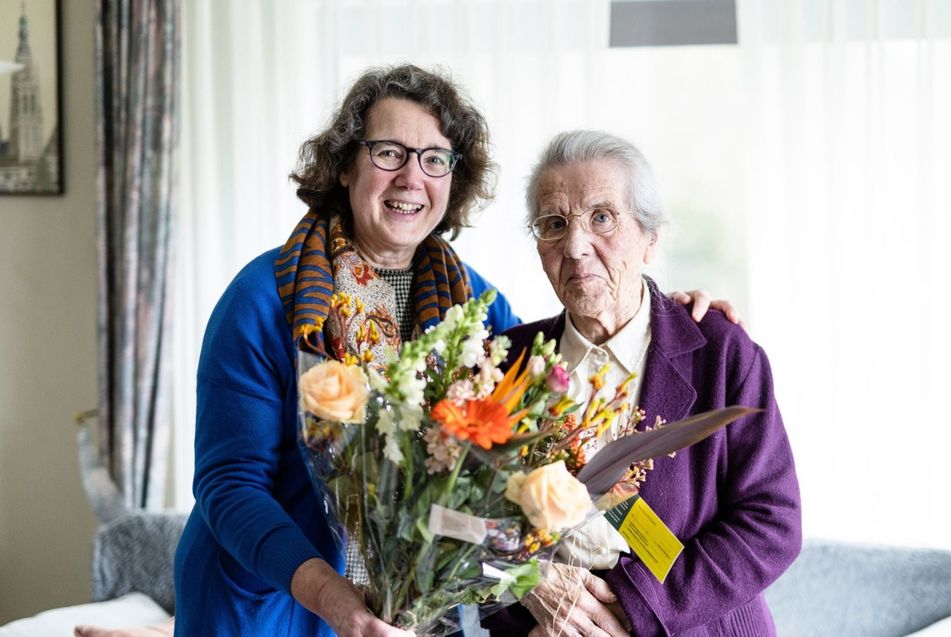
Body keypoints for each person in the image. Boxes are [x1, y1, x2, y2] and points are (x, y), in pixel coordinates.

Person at [69, 66, 742, 637]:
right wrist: (332, 597)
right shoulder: (261, 297)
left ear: (455, 177)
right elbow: (228, 485)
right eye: (387, 152)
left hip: (417, 616)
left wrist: (664, 311)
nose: (410, 177)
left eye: (434, 159)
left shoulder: (480, 310)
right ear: (346, 163)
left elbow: (544, 426)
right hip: (272, 607)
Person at [482, 130, 802, 637]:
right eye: (554, 224)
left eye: (602, 218)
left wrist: (632, 610)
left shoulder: (720, 353)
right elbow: (458, 529)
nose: (576, 245)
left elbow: (772, 524)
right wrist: (527, 586)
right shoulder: (504, 365)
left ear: (650, 239)